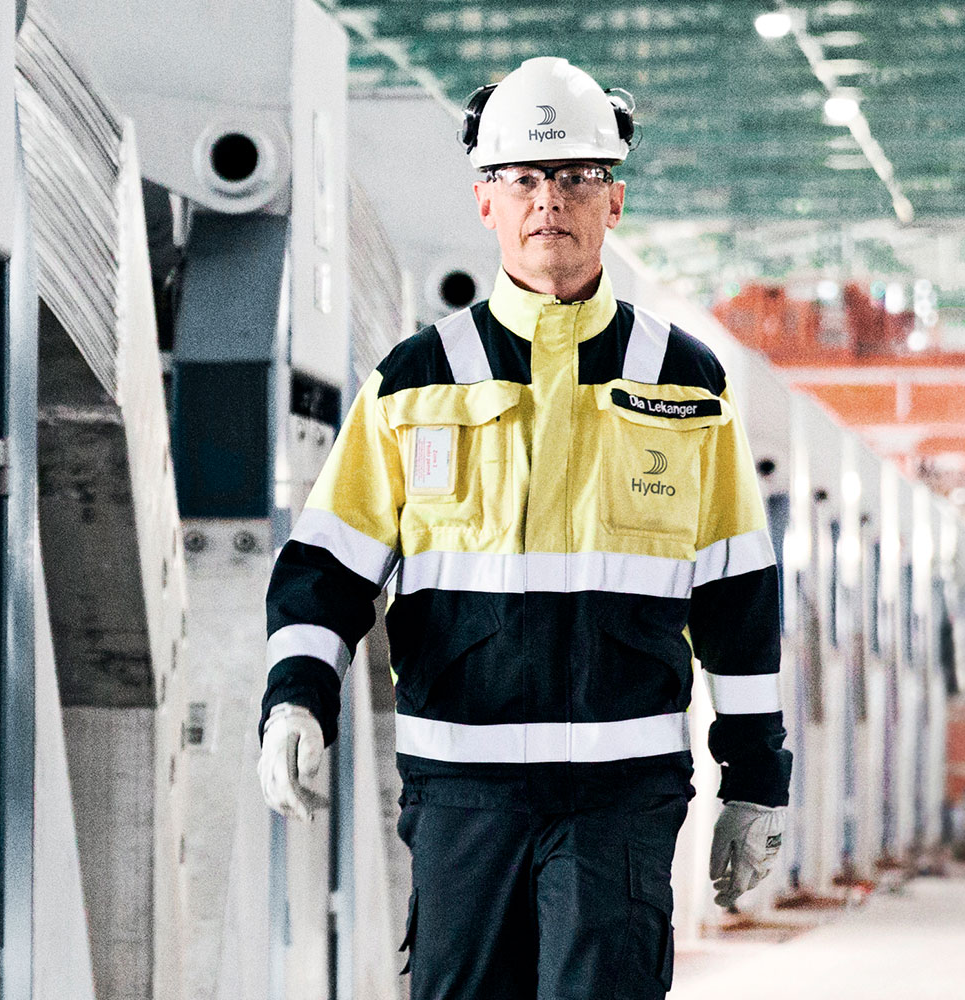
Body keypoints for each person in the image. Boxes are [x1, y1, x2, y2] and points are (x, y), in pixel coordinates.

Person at [257, 56, 792, 1000]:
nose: (551, 199)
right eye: (525, 178)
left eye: (578, 176)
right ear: (485, 201)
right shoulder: (415, 378)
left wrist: (754, 779)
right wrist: (295, 697)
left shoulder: (685, 381)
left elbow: (738, 596)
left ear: (614, 200)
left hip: (621, 796)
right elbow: (330, 563)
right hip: (464, 795)